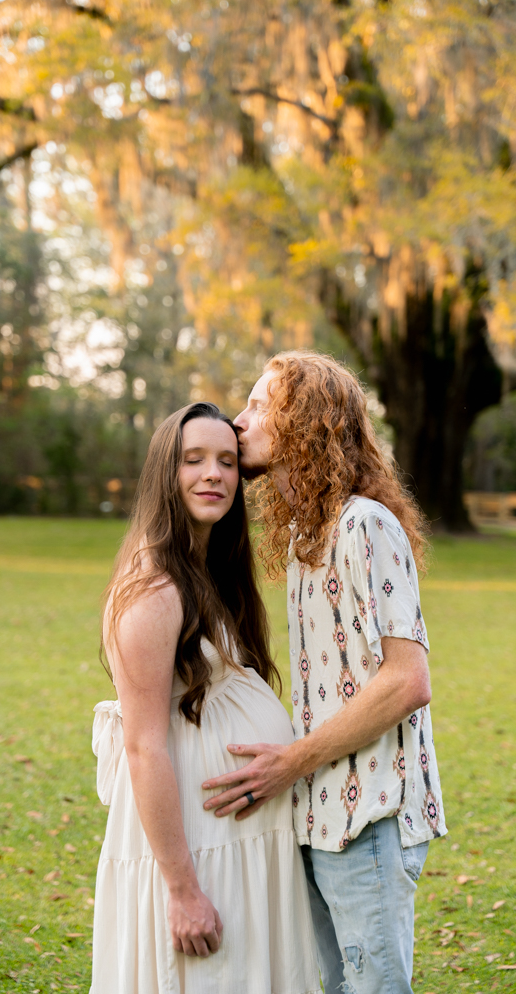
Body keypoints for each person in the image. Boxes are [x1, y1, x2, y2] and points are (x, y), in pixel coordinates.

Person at [202, 353, 447, 994]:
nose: (239, 420)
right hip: (320, 818)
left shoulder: (364, 524)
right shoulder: (305, 535)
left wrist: (289, 762)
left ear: (303, 422)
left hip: (369, 817)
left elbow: (406, 681)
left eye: (259, 406)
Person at [89, 401, 320, 994]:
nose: (213, 474)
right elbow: (143, 747)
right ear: (166, 474)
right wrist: (183, 890)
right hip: (198, 846)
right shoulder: (153, 587)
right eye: (193, 460)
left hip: (234, 839)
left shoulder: (205, 570)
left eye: (226, 461)